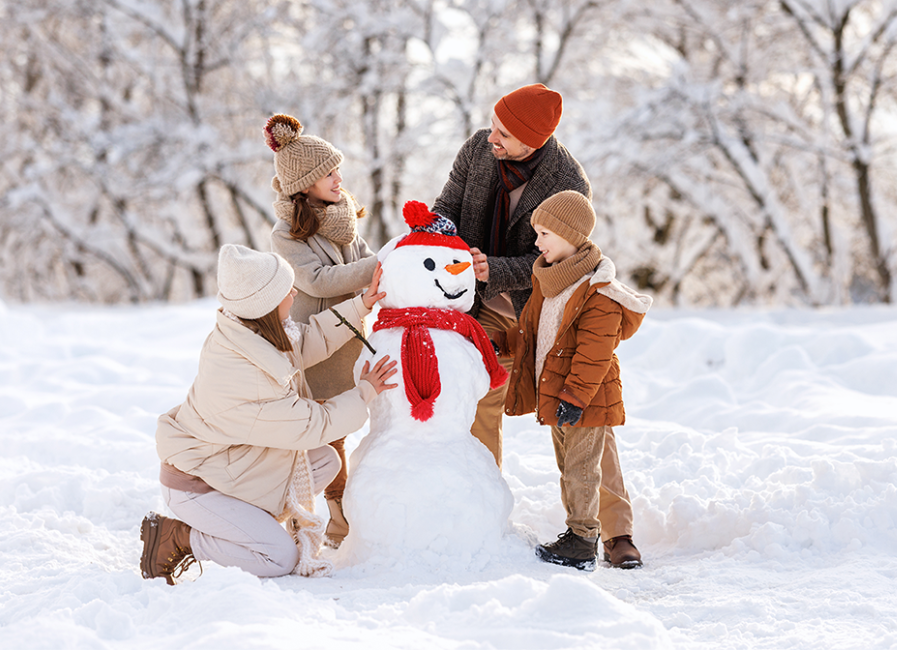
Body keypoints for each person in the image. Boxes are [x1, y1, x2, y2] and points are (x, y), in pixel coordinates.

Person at [430, 83, 644, 568]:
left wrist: (496, 268)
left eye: (505, 133)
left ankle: (616, 531)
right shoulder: (477, 149)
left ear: (534, 139)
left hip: (544, 308)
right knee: (477, 396)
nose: (492, 138)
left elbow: (558, 259)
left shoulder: (567, 182)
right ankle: (480, 514)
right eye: (494, 125)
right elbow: (447, 204)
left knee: (590, 416)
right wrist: (438, 232)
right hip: (481, 302)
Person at [139, 244, 397, 583]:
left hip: (233, 465)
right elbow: (312, 424)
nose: (293, 293)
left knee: (324, 462)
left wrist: (361, 305)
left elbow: (308, 341)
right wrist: (365, 391)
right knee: (278, 557)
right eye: (284, 291)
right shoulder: (243, 375)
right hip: (198, 486)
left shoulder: (253, 334)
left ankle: (255, 526)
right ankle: (180, 537)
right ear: (264, 305)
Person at [496, 191, 652, 570]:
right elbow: (532, 333)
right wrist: (499, 340)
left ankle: (583, 540)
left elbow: (594, 353)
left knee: (583, 470)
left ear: (569, 235)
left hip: (584, 399)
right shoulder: (550, 282)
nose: (537, 242)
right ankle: (577, 532)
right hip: (558, 394)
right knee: (570, 468)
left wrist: (576, 396)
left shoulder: (599, 292)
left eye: (545, 233)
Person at [265, 113, 377, 548]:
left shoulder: (342, 217)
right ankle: (333, 520)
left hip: (351, 338)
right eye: (328, 172)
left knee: (351, 427)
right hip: (318, 345)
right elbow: (320, 282)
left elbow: (363, 261)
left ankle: (352, 513)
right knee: (329, 436)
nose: (338, 178)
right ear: (305, 182)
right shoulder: (286, 235)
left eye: (337, 169)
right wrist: (379, 267)